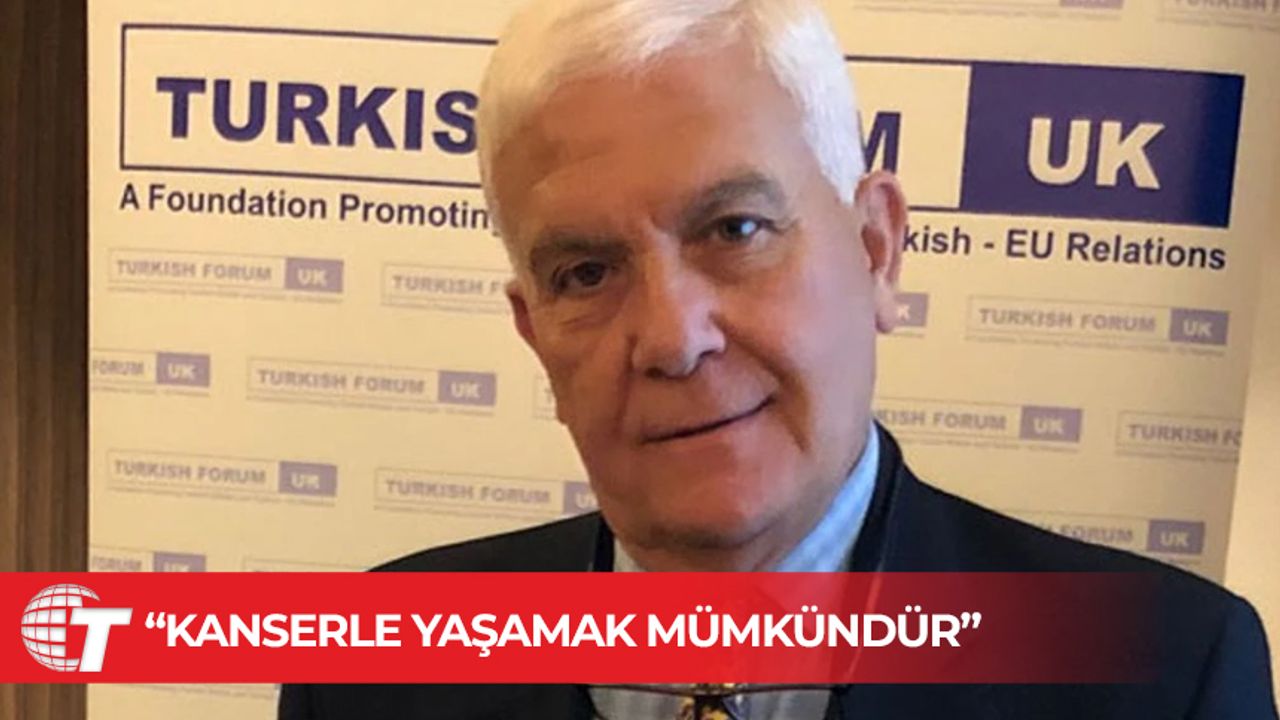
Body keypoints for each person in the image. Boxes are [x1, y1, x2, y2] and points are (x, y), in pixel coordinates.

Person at [280, 0, 1277, 717]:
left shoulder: (1166, 673)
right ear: (535, 332)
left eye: (736, 229)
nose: (673, 338)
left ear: (876, 249)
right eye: (585, 273)